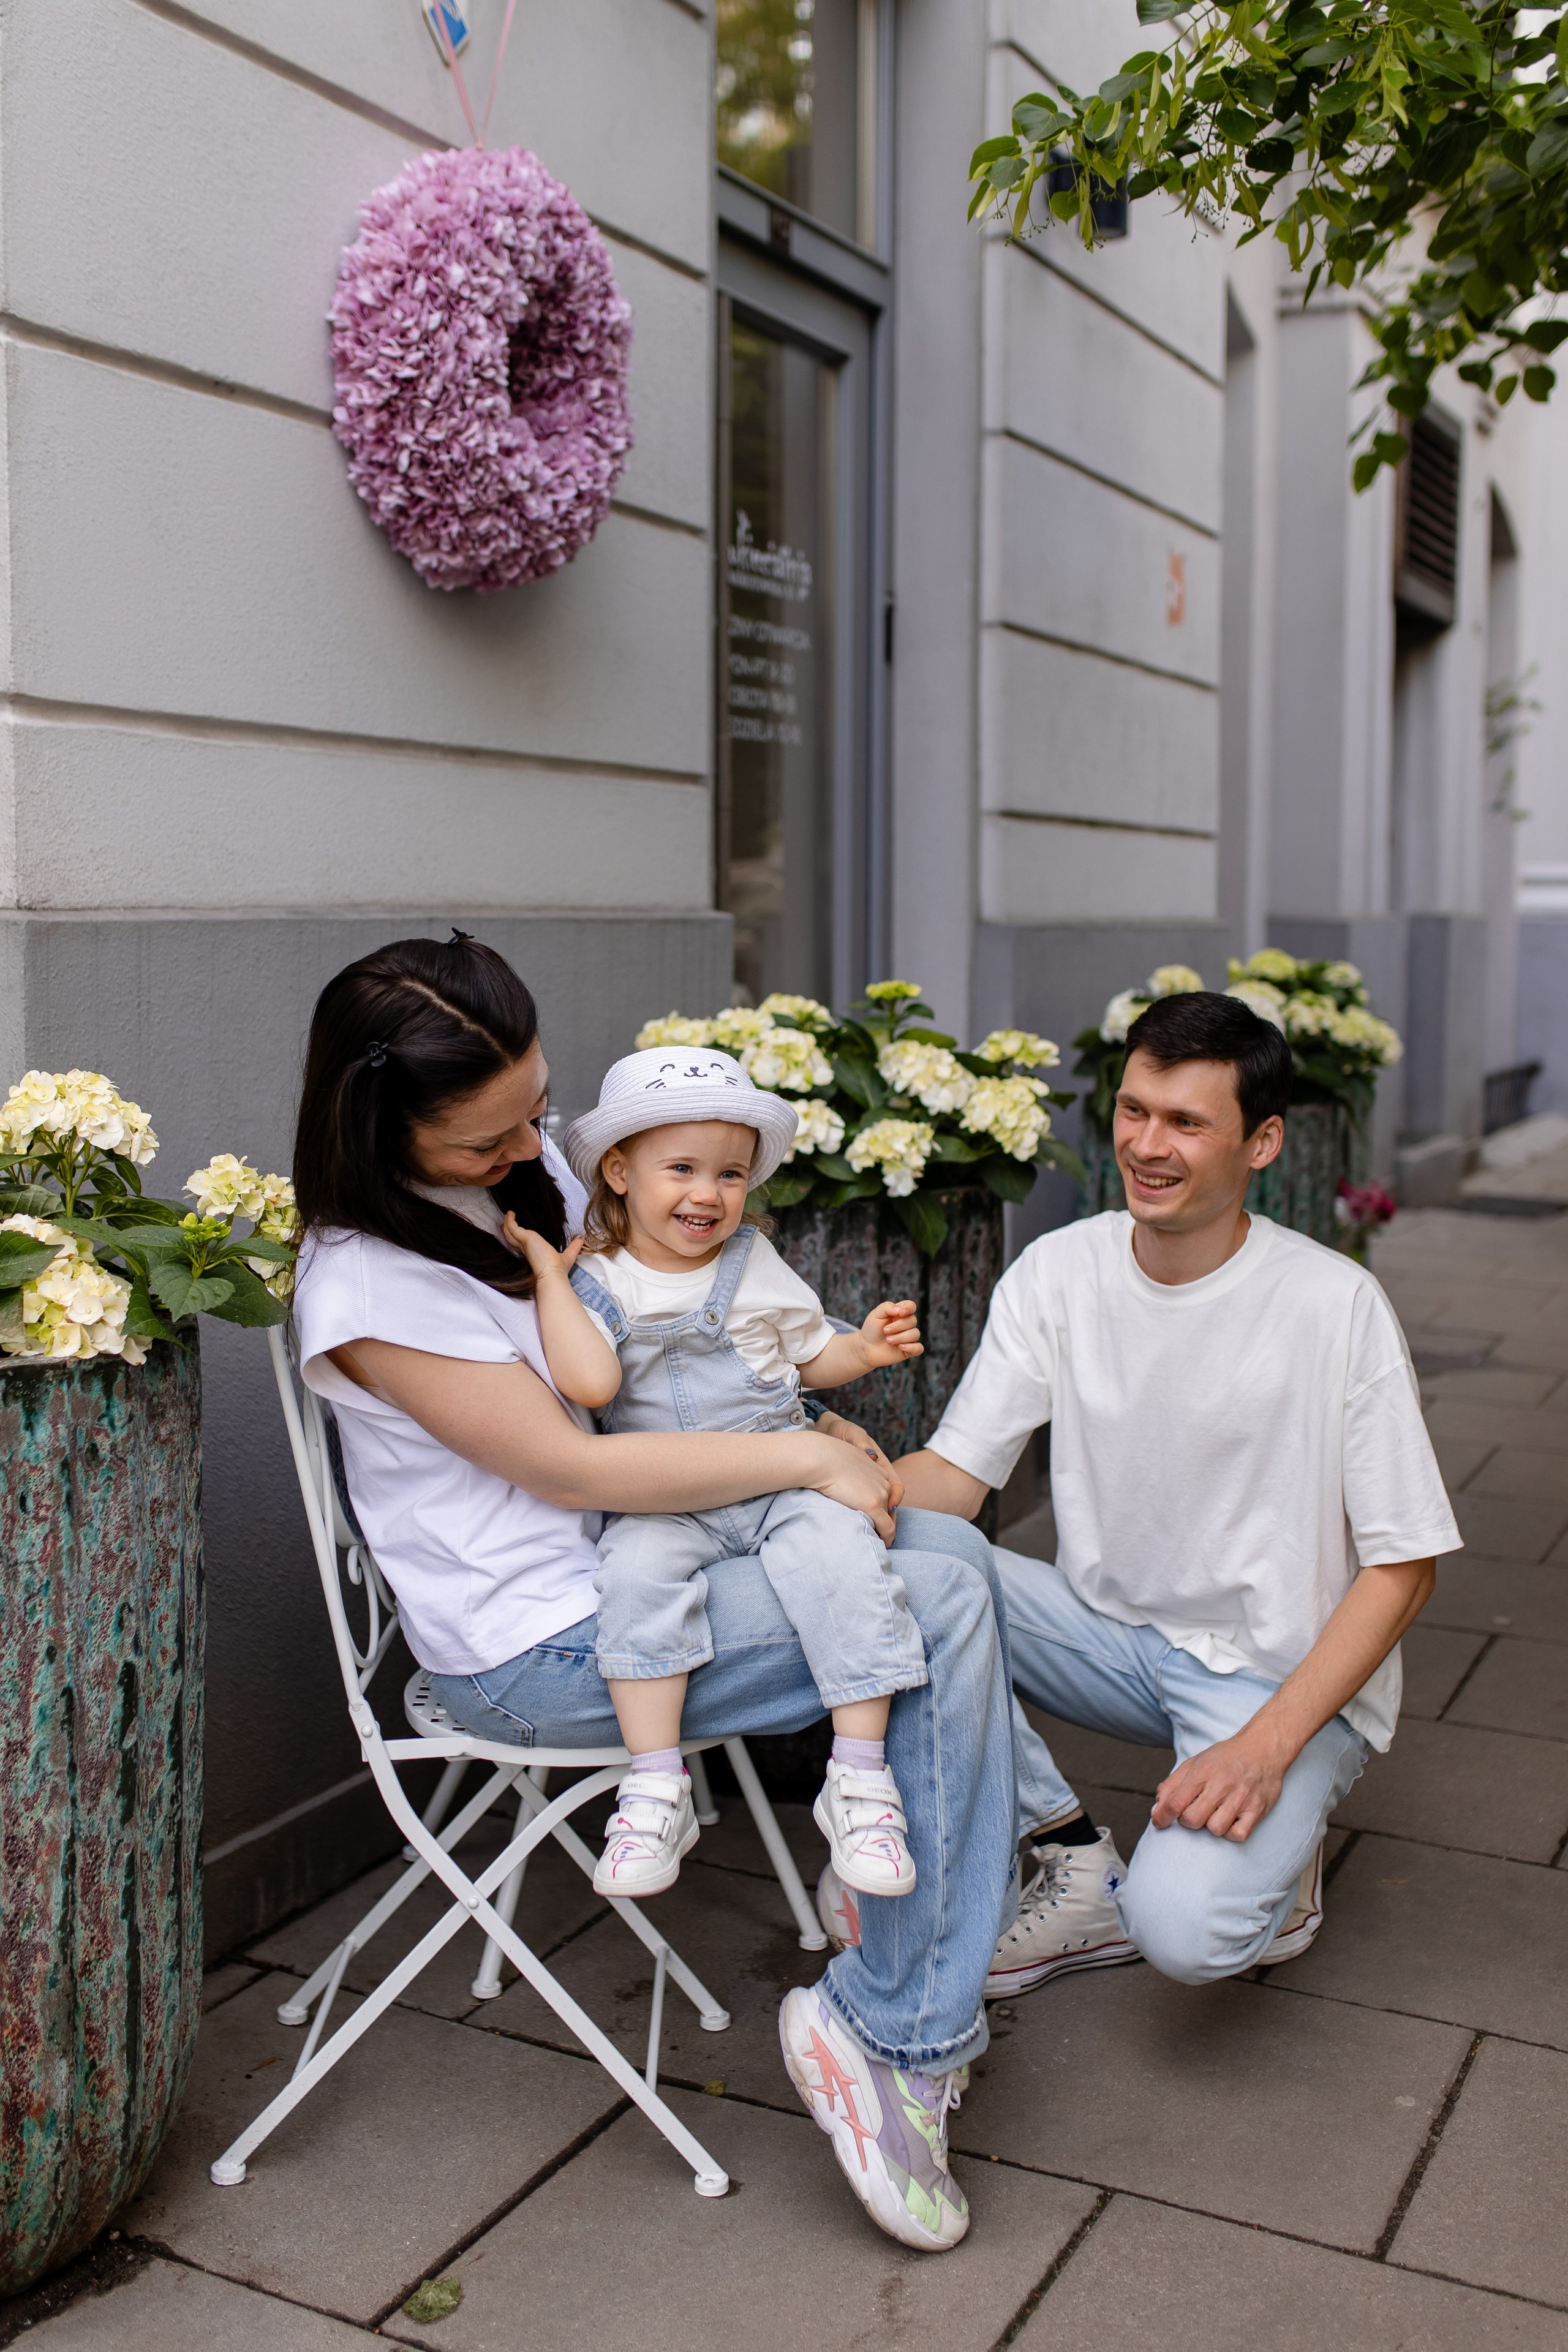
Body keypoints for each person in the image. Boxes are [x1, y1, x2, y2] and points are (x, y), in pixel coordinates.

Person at [287, 932, 1018, 2253]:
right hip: (548, 1647)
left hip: (654, 1565)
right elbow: (574, 1467)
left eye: (538, 1108)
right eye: (486, 1138)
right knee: (946, 1598)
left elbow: (672, 1356)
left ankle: (920, 1910)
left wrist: (802, 1426)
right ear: (379, 1131)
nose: (531, 1154)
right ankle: (895, 2031)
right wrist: (797, 1452)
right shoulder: (366, 1283)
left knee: (946, 1554)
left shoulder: (505, 1188)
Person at [890, 989, 1460, 1998]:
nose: (1148, 1146)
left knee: (1187, 1939)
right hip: (1105, 1637)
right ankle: (1065, 1851)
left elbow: (1404, 1564)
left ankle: (1280, 1858)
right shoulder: (1058, 1272)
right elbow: (953, 1483)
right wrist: (814, 1482)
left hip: (1278, 1677)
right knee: (905, 1555)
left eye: (1189, 1123)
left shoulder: (1335, 1306)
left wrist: (1263, 1749)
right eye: (1135, 1111)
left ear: (1263, 1143)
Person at [503, 1044, 928, 1906]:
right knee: (634, 1575)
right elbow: (590, 1385)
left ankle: (859, 1780)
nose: (709, 1193)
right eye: (683, 1169)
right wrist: (553, 1275)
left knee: (844, 1559)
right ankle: (656, 1785)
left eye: (731, 1174)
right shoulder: (600, 1280)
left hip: (780, 1482)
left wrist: (864, 1350)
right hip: (669, 1499)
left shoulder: (754, 1265)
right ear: (619, 1172)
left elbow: (809, 1359)